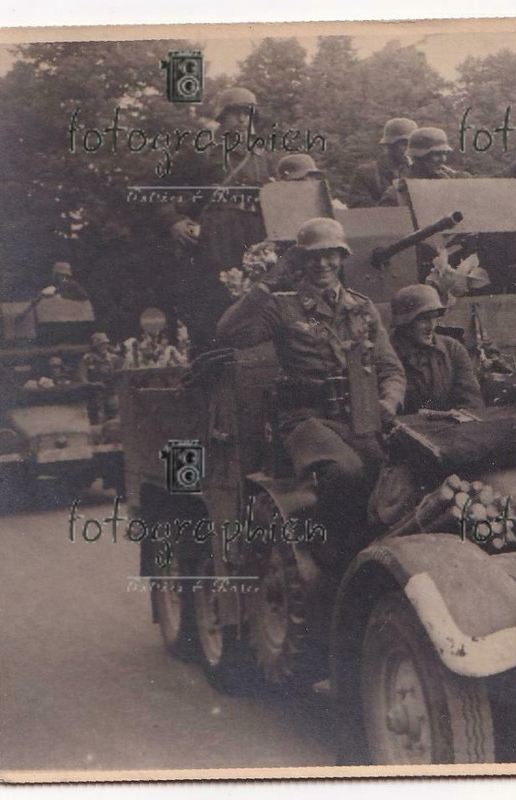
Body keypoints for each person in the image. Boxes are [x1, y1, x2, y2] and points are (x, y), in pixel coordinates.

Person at [216, 217, 406, 532]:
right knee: (345, 471)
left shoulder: (361, 307)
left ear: (342, 257)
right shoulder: (283, 306)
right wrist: (266, 285)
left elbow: (390, 368)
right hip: (304, 419)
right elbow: (228, 332)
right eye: (313, 256)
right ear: (301, 261)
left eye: (330, 254)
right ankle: (328, 547)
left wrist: (390, 400)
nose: (322, 264)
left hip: (357, 418)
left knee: (386, 470)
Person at [163, 87, 276, 350]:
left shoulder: (264, 157)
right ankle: (214, 359)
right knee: (216, 297)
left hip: (257, 233)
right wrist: (174, 221)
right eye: (235, 113)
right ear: (222, 117)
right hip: (217, 232)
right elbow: (161, 188)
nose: (242, 120)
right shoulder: (201, 151)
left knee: (258, 297)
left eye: (248, 114)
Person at [389, 284, 483, 413]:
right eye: (423, 320)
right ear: (405, 323)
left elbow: (471, 401)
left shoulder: (452, 349)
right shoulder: (387, 355)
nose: (431, 327)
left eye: (434, 318)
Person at [378, 127, 471, 206]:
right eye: (436, 154)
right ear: (418, 157)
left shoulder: (455, 181)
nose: (443, 159)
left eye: (445, 153)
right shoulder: (398, 193)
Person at [346, 117, 417, 208]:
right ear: (389, 145)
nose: (408, 150)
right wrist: (390, 199)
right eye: (404, 144)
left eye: (412, 145)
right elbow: (358, 209)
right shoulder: (367, 173)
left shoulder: (416, 172)